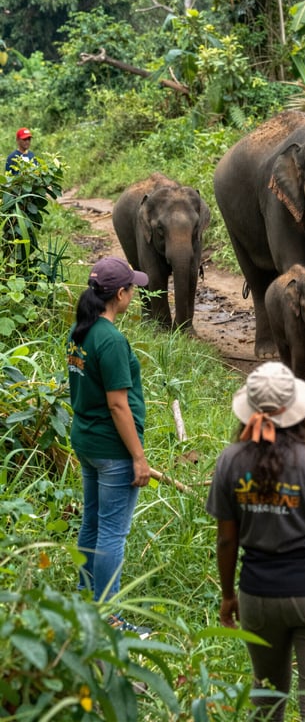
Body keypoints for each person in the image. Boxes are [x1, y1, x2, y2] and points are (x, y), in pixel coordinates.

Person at [206, 362, 305, 721]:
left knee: (266, 702)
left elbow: (225, 541)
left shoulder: (230, 461)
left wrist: (228, 595)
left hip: (258, 597)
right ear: (298, 412)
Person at [66, 256, 152, 638]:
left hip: (86, 441)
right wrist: (138, 457)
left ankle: (86, 602)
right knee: (112, 533)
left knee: (92, 522)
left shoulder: (80, 331)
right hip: (112, 450)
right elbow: (119, 404)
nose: (134, 292)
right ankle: (109, 618)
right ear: (121, 294)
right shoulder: (111, 339)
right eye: (132, 287)